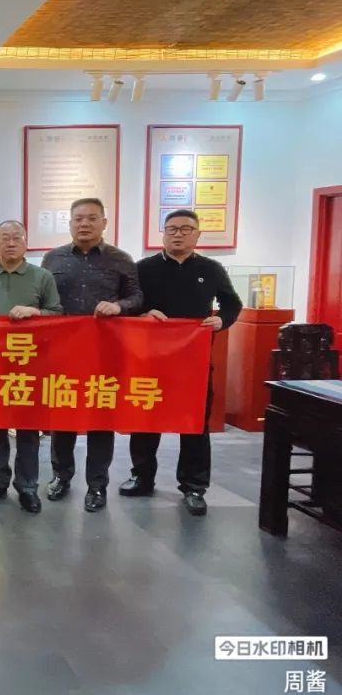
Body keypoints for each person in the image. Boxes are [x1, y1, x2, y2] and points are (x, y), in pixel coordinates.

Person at [120, 209, 242, 515]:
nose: (178, 234)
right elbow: (128, 304)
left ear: (197, 235)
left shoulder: (211, 269)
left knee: (195, 423)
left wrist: (222, 320)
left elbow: (232, 304)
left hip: (193, 362)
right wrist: (143, 314)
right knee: (146, 419)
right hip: (150, 360)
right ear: (162, 234)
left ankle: (194, 486)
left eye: (186, 229)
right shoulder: (143, 268)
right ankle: (142, 476)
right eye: (172, 229)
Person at [41, 198, 143, 512]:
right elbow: (42, 299)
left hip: (105, 353)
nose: (84, 224)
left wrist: (119, 306)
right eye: (78, 218)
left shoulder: (121, 259)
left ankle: (97, 485)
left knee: (101, 419)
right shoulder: (52, 259)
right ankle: (61, 476)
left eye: (92, 218)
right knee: (63, 418)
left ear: (104, 223)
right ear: (70, 223)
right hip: (63, 352)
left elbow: (137, 297)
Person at [0, 220, 62, 513]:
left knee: (28, 429)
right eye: (4, 238)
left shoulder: (42, 277)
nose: (10, 243)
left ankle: (27, 486)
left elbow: (58, 314)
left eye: (16, 237)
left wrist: (36, 312)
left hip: (31, 364)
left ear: (25, 242)